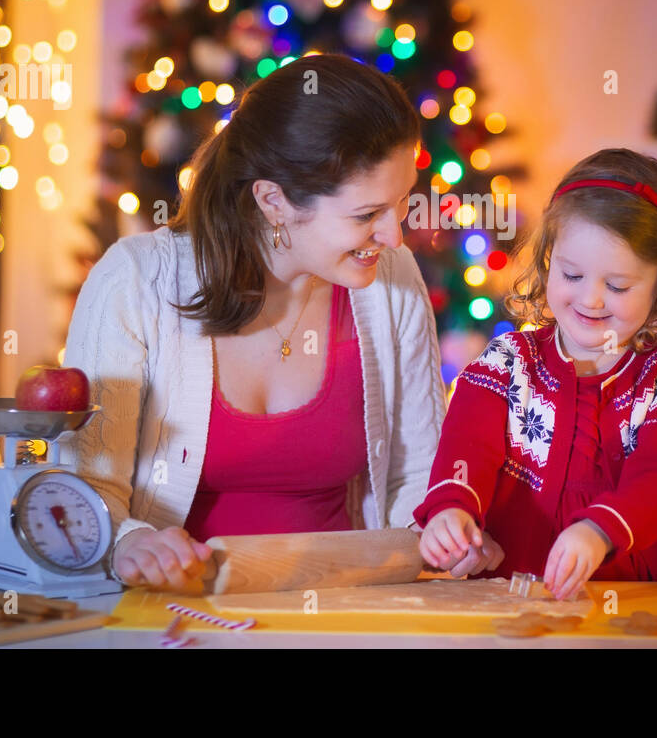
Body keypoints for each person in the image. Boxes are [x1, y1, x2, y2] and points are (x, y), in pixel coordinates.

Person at [61, 54, 446, 593]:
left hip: (347, 617)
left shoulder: (392, 281)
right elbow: (84, 489)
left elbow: (418, 474)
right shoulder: (135, 281)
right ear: (274, 201)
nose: (394, 236)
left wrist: (442, 533)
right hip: (175, 619)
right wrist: (128, 541)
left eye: (402, 203)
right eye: (366, 215)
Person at [414, 148, 657, 600]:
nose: (592, 300)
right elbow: (468, 447)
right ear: (548, 259)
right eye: (572, 274)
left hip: (634, 598)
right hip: (512, 593)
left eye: (618, 285)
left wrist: (599, 531)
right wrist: (453, 510)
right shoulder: (507, 363)